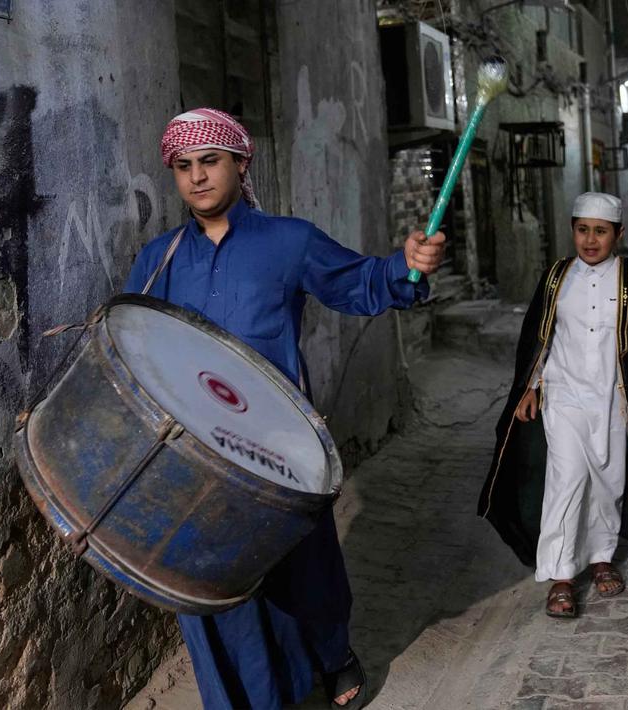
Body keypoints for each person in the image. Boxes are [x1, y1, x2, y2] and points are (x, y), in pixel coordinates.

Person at [122, 108, 445, 709]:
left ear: (241, 164)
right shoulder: (158, 259)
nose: (196, 178)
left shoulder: (288, 241)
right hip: (194, 453)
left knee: (306, 570)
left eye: (210, 162)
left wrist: (408, 268)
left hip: (281, 441)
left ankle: (331, 654)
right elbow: (133, 347)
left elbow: (363, 282)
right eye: (184, 167)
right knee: (212, 585)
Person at [476, 192, 628, 618]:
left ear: (618, 234)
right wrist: (531, 385)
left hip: (614, 400)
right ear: (573, 231)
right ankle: (560, 575)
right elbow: (538, 339)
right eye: (583, 230)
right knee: (567, 480)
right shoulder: (557, 278)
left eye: (600, 232)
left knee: (608, 482)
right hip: (565, 397)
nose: (590, 240)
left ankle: (600, 557)